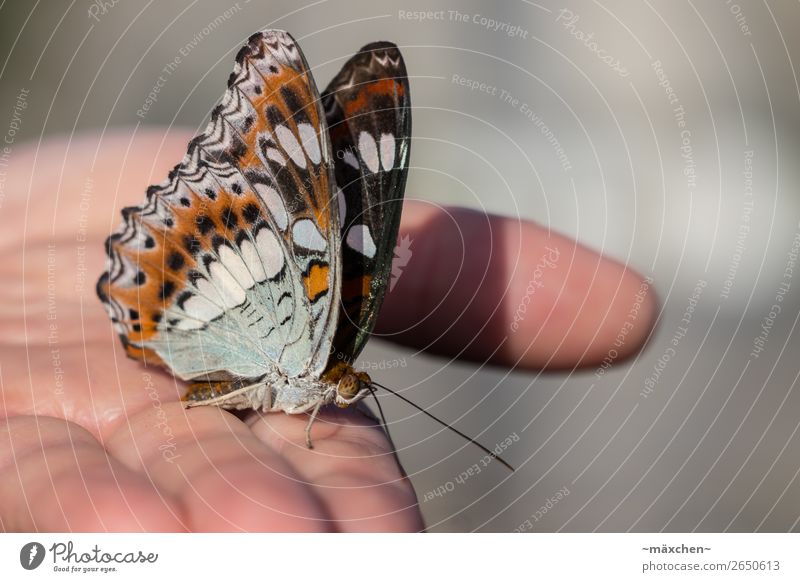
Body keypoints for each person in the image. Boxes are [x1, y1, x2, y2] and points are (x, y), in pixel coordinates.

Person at [0, 130, 656, 531]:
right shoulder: (319, 345)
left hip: (219, 315)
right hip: (215, 282)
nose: (343, 396)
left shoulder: (323, 359)